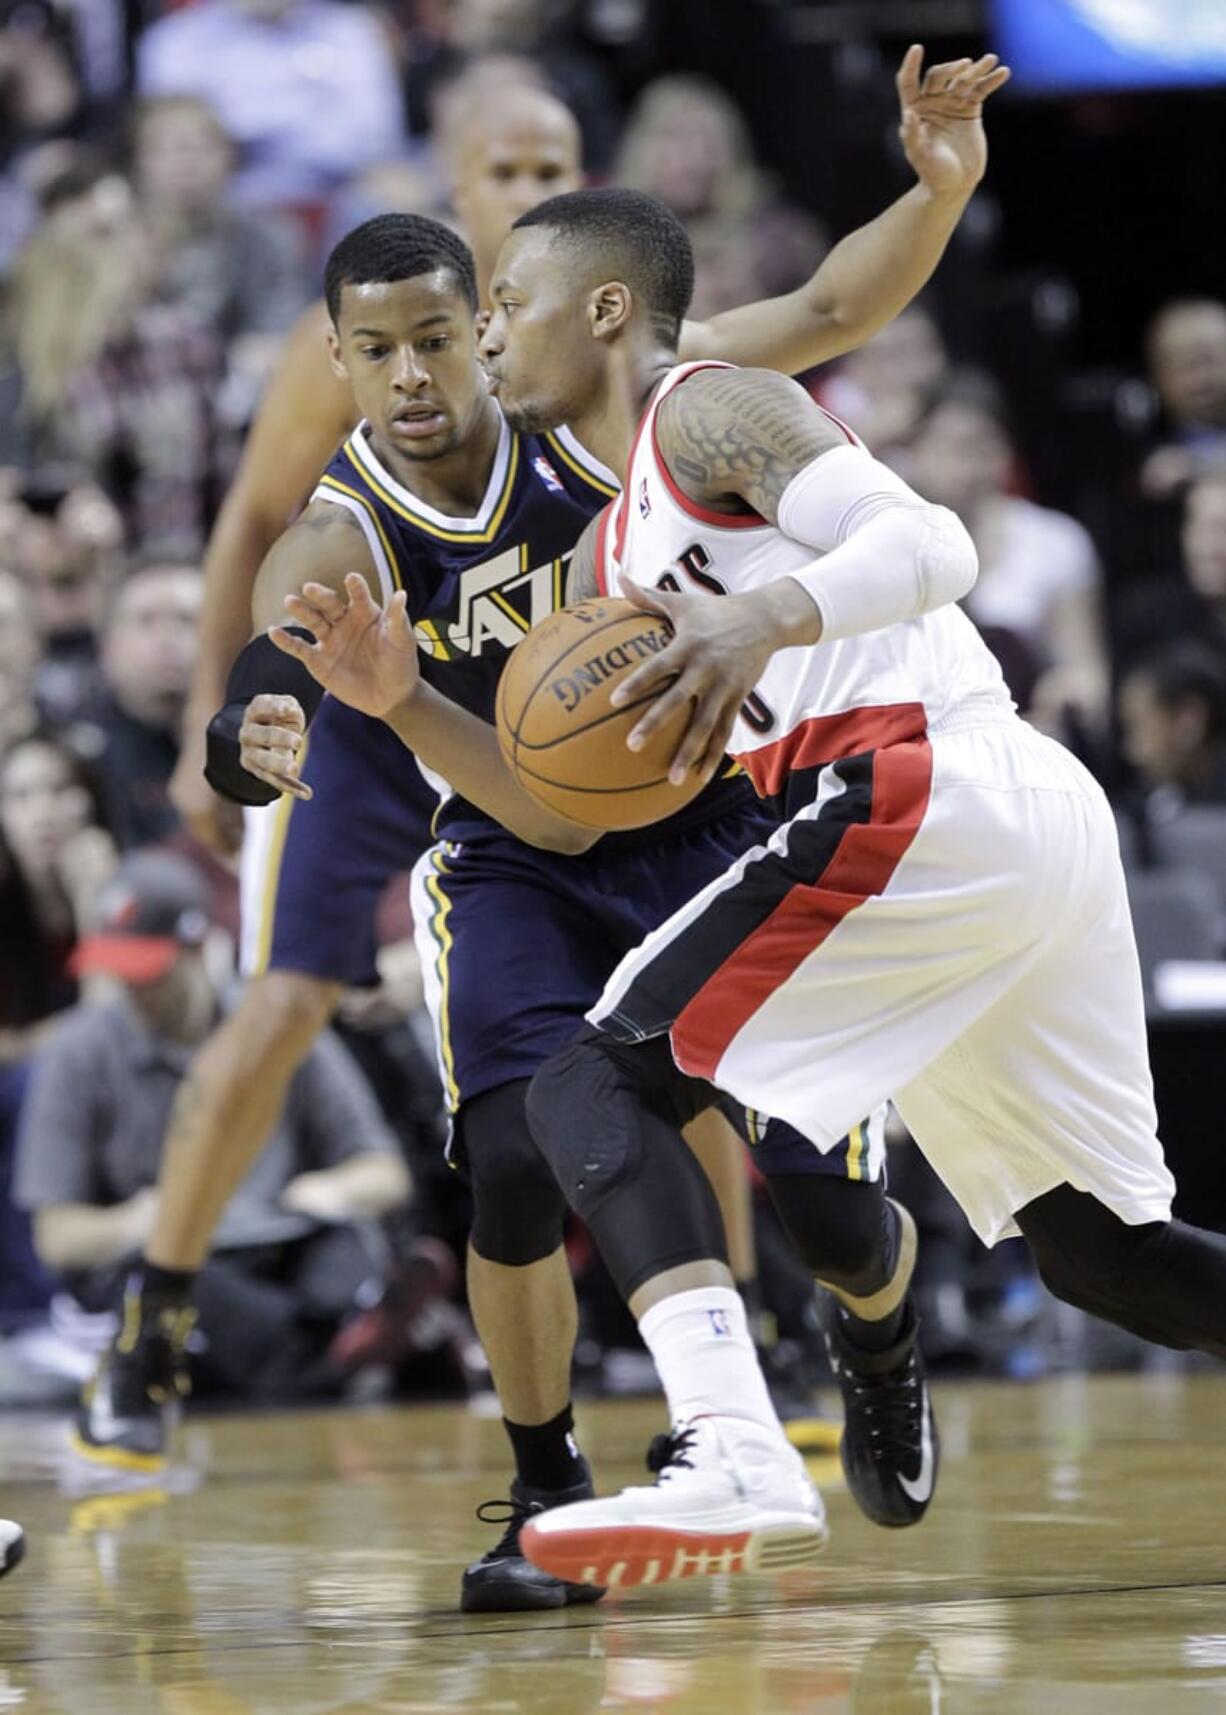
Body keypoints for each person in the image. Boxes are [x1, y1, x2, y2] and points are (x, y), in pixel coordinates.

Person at [82, 48, 1009, 1609]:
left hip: (708, 809)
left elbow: (831, 314)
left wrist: (936, 188)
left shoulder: (593, 404)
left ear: (488, 324)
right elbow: (278, 601)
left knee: (828, 1200)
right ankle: (542, 1484)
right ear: (340, 356)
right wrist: (251, 724)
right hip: (508, 841)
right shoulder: (355, 495)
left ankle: (868, 1321)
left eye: (442, 337)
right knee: (509, 1156)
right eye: (378, 354)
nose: (417, 378)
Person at [436, 182, 1219, 1585]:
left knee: (585, 1079)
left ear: (606, 307)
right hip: (994, 818)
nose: (483, 339)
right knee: (1104, 1255)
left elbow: (935, 546)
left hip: (921, 782)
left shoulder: (703, 408)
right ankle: (772, 1403)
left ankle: (730, 1442)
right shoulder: (613, 548)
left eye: (505, 303)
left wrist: (759, 615)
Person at [16, 848, 411, 1429]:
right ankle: (352, 1349)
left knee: (342, 1252)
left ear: (200, 950)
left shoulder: (276, 1026)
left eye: (148, 972)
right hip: (175, 1264)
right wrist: (140, 1219)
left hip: (280, 1238)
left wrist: (327, 1190)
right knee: (212, 1299)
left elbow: (385, 1173)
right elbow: (56, 1236)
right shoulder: (77, 1052)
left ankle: (350, 1334)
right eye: (117, 971)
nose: (132, 991)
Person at [905, 371, 1109, 736]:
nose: (964, 465)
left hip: (1027, 731)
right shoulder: (889, 544)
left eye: (980, 446)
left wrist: (1069, 692)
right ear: (915, 452)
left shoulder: (1056, 539)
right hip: (924, 734)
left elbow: (1085, 667)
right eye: (949, 446)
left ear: (1006, 452)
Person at [136, 0, 405, 213]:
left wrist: (246, 139)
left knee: (394, 193)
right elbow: (170, 140)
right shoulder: (175, 41)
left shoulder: (351, 30)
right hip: (221, 201)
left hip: (336, 197)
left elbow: (375, 138)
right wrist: (307, 121)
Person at [88, 562, 202, 850]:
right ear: (107, 645)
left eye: (187, 620)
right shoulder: (81, 755)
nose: (168, 639)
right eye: (146, 621)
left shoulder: (254, 743)